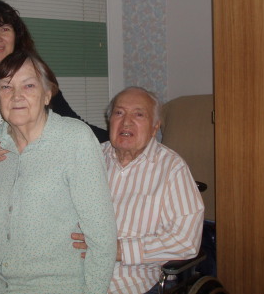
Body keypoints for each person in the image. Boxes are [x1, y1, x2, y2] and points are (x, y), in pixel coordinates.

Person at [0, 0, 109, 256]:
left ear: (17, 35)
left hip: (32, 207)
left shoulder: (37, 79)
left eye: (4, 28)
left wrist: (118, 137)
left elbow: (72, 124)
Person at [0, 50, 117, 294]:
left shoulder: (75, 139)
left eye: (28, 85)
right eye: (6, 87)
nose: (16, 96)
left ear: (47, 94)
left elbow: (102, 235)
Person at [72, 87, 204, 294]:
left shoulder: (172, 168)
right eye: (119, 112)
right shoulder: (90, 157)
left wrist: (119, 250)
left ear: (154, 127)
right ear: (110, 121)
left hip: (130, 283)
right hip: (73, 275)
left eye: (138, 114)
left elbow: (185, 241)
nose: (126, 122)